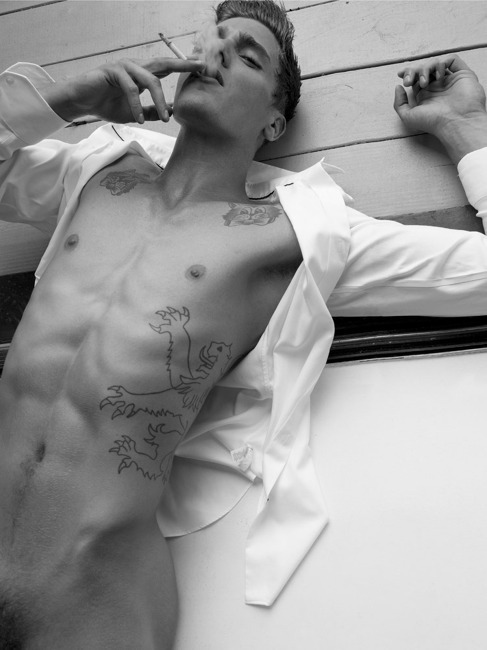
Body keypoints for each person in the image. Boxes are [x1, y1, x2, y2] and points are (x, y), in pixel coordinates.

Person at [0, 0, 486, 646]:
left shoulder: (295, 235)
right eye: (214, 39)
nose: (217, 54)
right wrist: (65, 100)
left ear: (274, 119)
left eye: (248, 57)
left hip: (92, 591)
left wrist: (463, 127)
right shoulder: (94, 170)